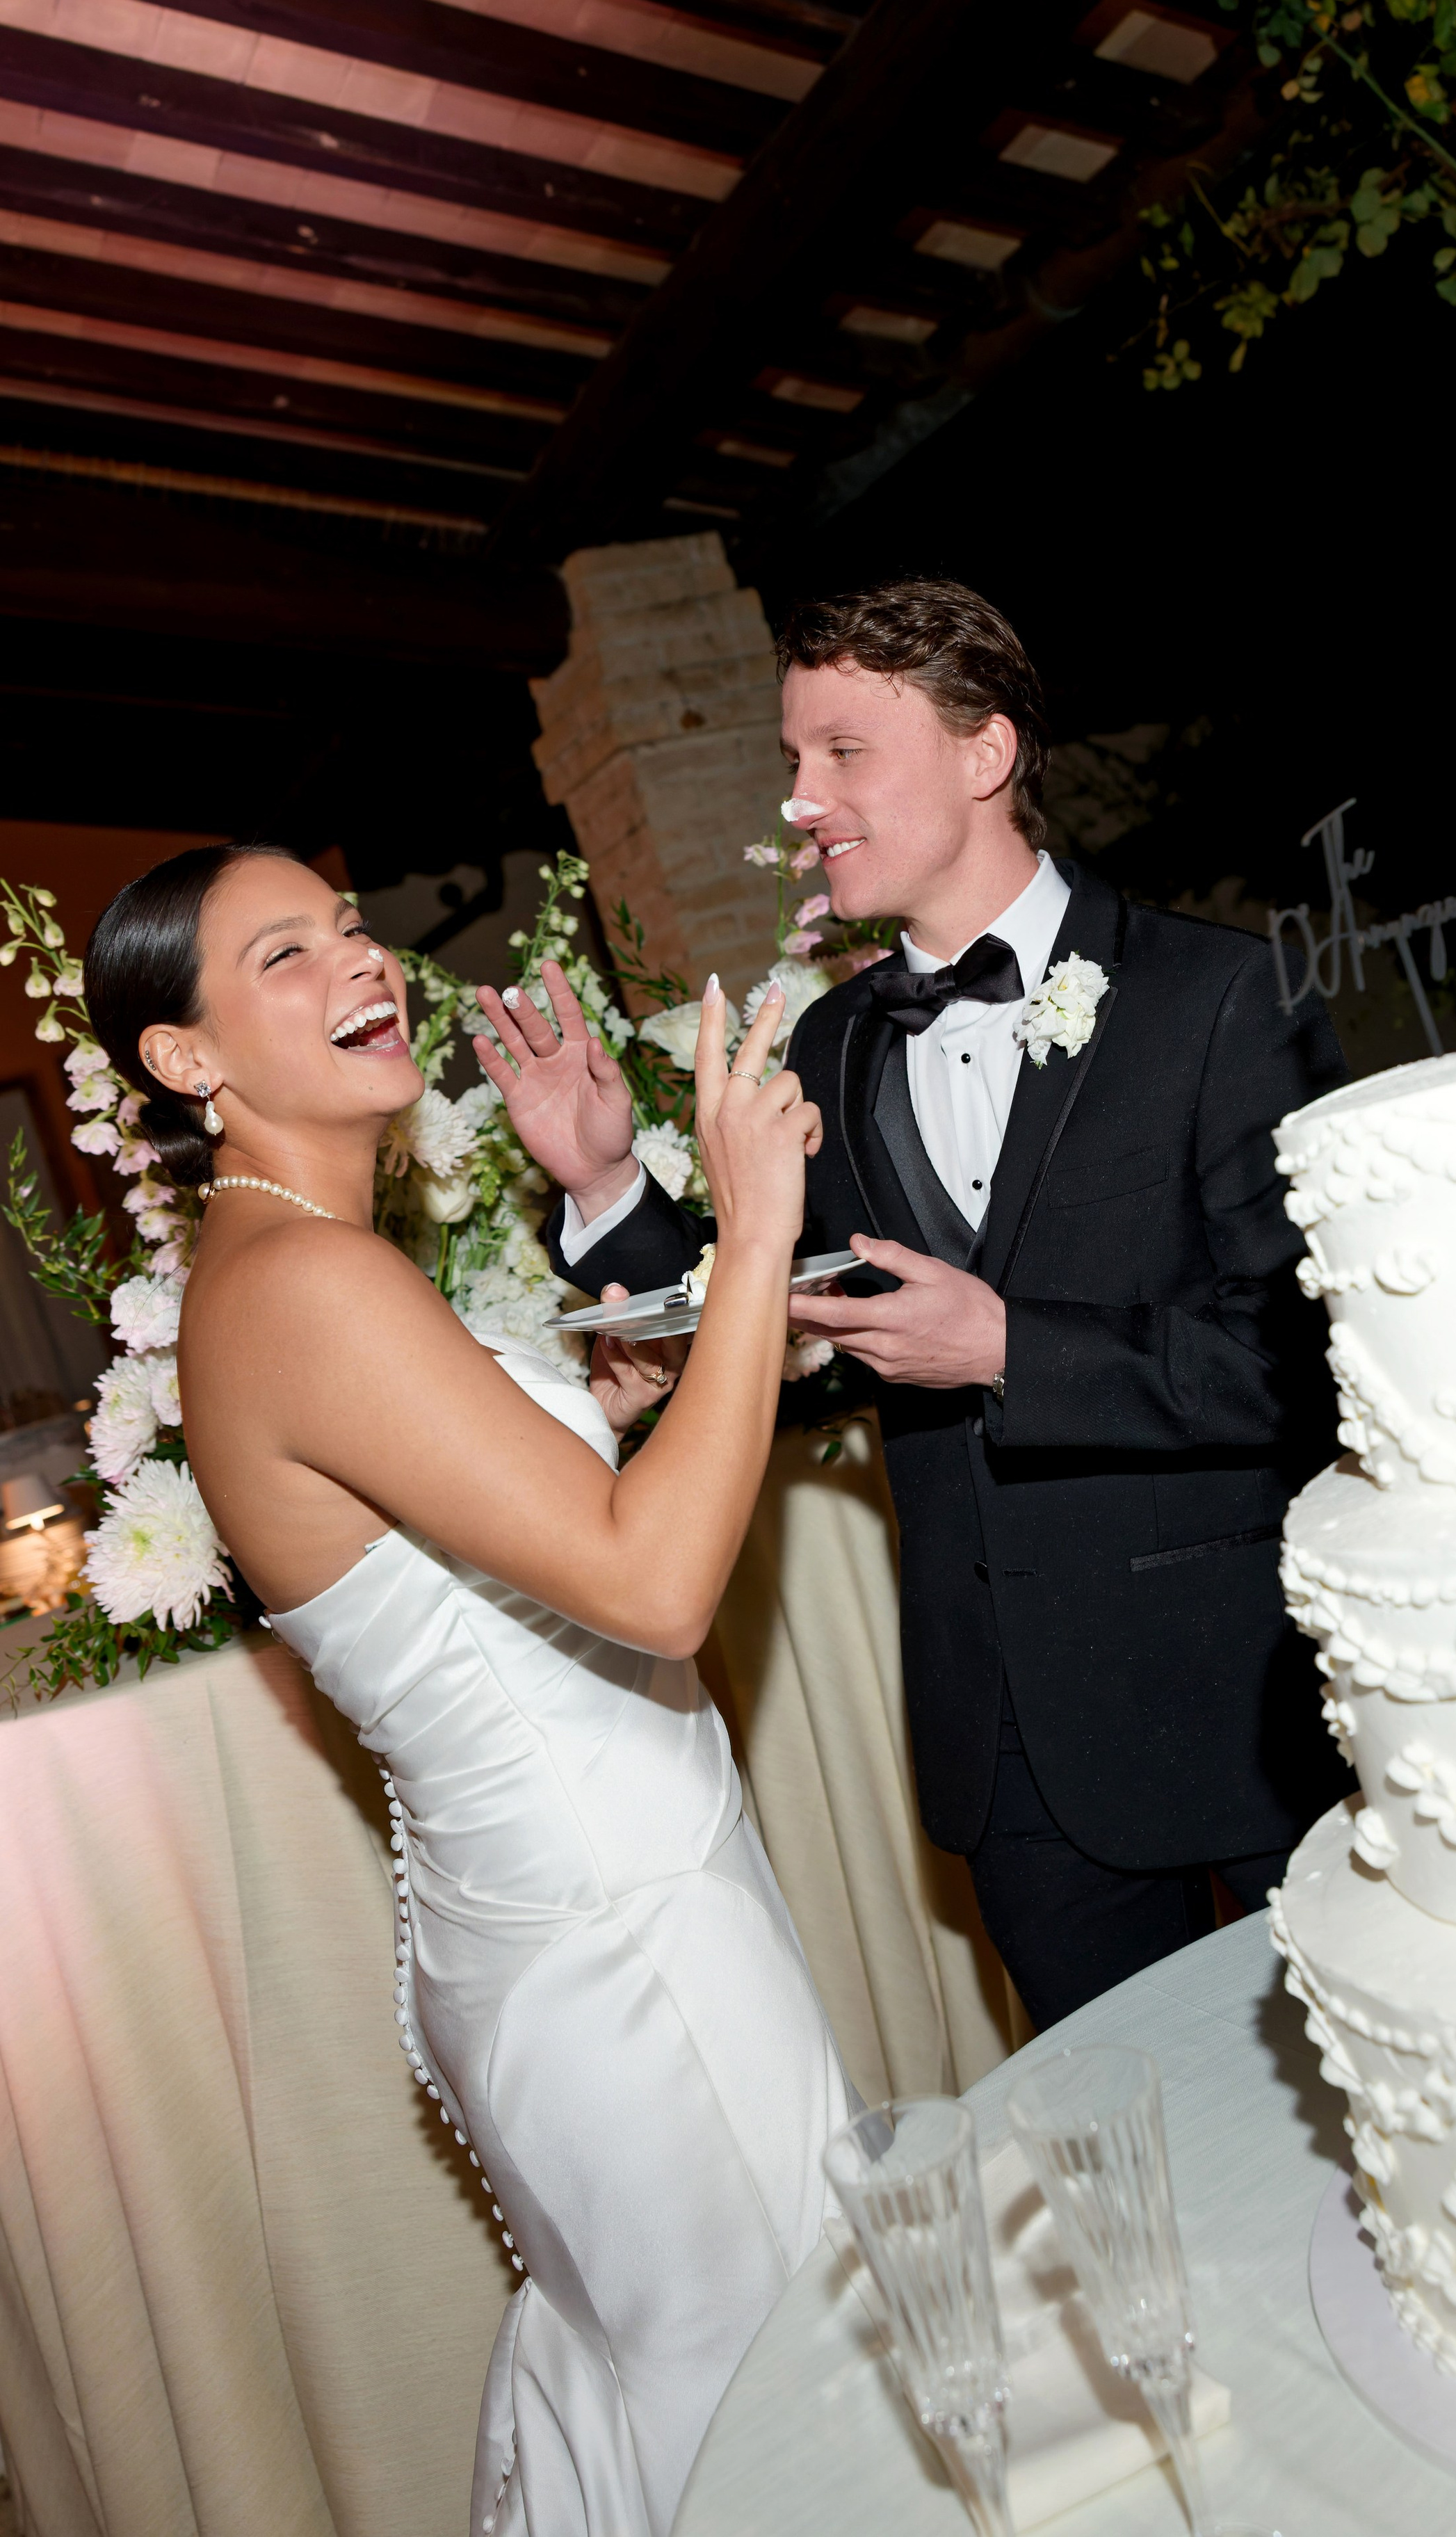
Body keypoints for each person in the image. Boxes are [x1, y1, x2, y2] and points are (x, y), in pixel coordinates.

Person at [84, 844, 852, 2537]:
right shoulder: (308, 1283)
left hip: (567, 1910)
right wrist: (751, 1232)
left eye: (349, 928)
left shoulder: (284, 1262)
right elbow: (652, 1583)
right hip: (625, 1940)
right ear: (183, 1059)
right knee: (777, 2409)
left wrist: (617, 1396)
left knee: (696, 2374)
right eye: (281, 955)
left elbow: (518, 1549)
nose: (358, 964)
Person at [491, 579, 1351, 2033]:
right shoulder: (830, 1041)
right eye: (789, 761)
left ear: (984, 752)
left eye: (841, 753)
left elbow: (1311, 1358)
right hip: (1007, 1751)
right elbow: (762, 1307)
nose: (801, 799)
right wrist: (598, 1183)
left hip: (1243, 1706)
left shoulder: (1217, 998)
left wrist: (1013, 1349)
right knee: (1124, 2170)